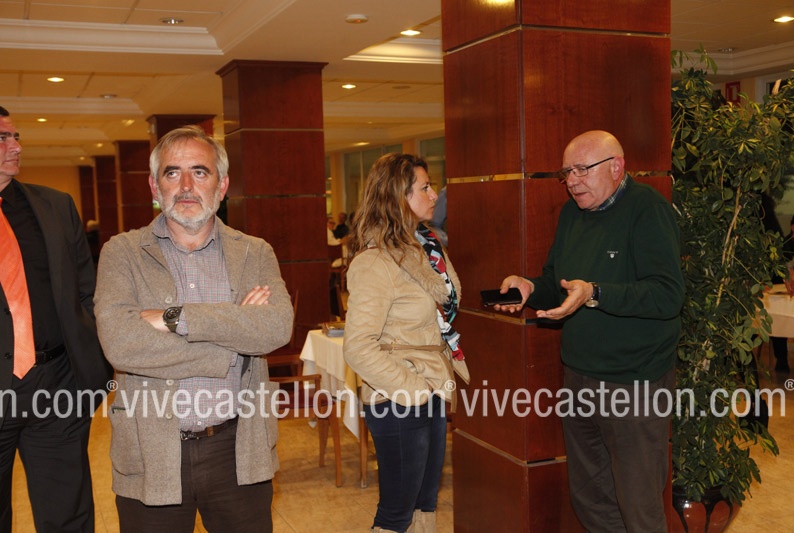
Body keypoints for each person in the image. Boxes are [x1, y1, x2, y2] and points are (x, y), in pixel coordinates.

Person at [94, 126, 294, 532]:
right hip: (151, 453)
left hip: (238, 449)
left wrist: (175, 318)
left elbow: (276, 327)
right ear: (155, 186)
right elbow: (121, 343)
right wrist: (232, 341)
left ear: (222, 186)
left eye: (200, 172)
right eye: (173, 173)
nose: (186, 186)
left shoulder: (255, 252)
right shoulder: (122, 253)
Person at [495, 130, 684, 532]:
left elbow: (667, 295)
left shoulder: (647, 210)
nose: (572, 181)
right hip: (579, 377)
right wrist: (530, 288)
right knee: (591, 499)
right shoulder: (572, 214)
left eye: (582, 169)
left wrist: (596, 293)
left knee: (638, 505)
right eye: (567, 172)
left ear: (617, 167)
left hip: (634, 383)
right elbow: (559, 283)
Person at [343, 153, 469, 533]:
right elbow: (358, 346)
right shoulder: (375, 261)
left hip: (430, 387)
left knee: (424, 503)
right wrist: (413, 390)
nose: (434, 195)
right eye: (425, 187)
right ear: (399, 195)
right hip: (398, 398)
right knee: (396, 513)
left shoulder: (425, 249)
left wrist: (428, 390)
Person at [0, 105, 112, 531]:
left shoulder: (55, 206)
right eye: (2, 138)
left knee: (68, 514)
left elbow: (87, 292)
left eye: (16, 136)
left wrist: (91, 370)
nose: (16, 146)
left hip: (57, 385)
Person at [775, 210, 794, 371]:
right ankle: (781, 359)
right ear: (793, 227)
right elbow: (778, 270)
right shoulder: (784, 244)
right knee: (779, 320)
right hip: (786, 291)